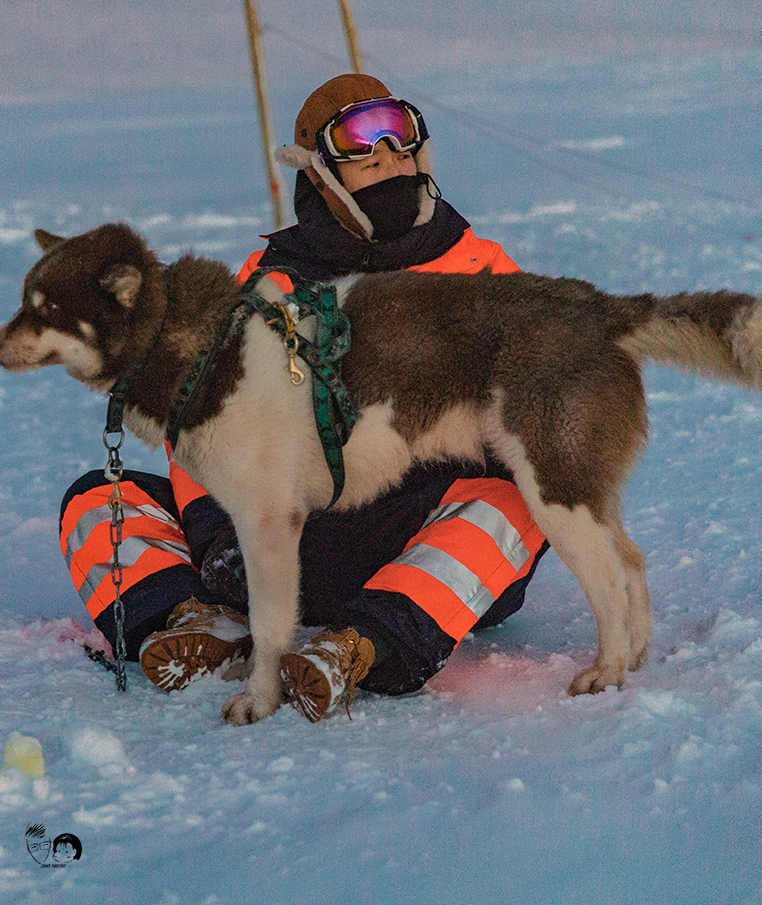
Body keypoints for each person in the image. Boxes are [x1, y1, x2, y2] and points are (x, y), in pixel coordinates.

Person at [58, 73, 550, 721]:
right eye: (358, 140)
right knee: (100, 497)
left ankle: (364, 647)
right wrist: (215, 538)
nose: (386, 151)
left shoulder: (480, 268)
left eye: (399, 131)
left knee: (523, 494)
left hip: (417, 530)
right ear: (318, 171)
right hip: (285, 539)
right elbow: (201, 427)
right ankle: (194, 621)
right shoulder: (266, 286)